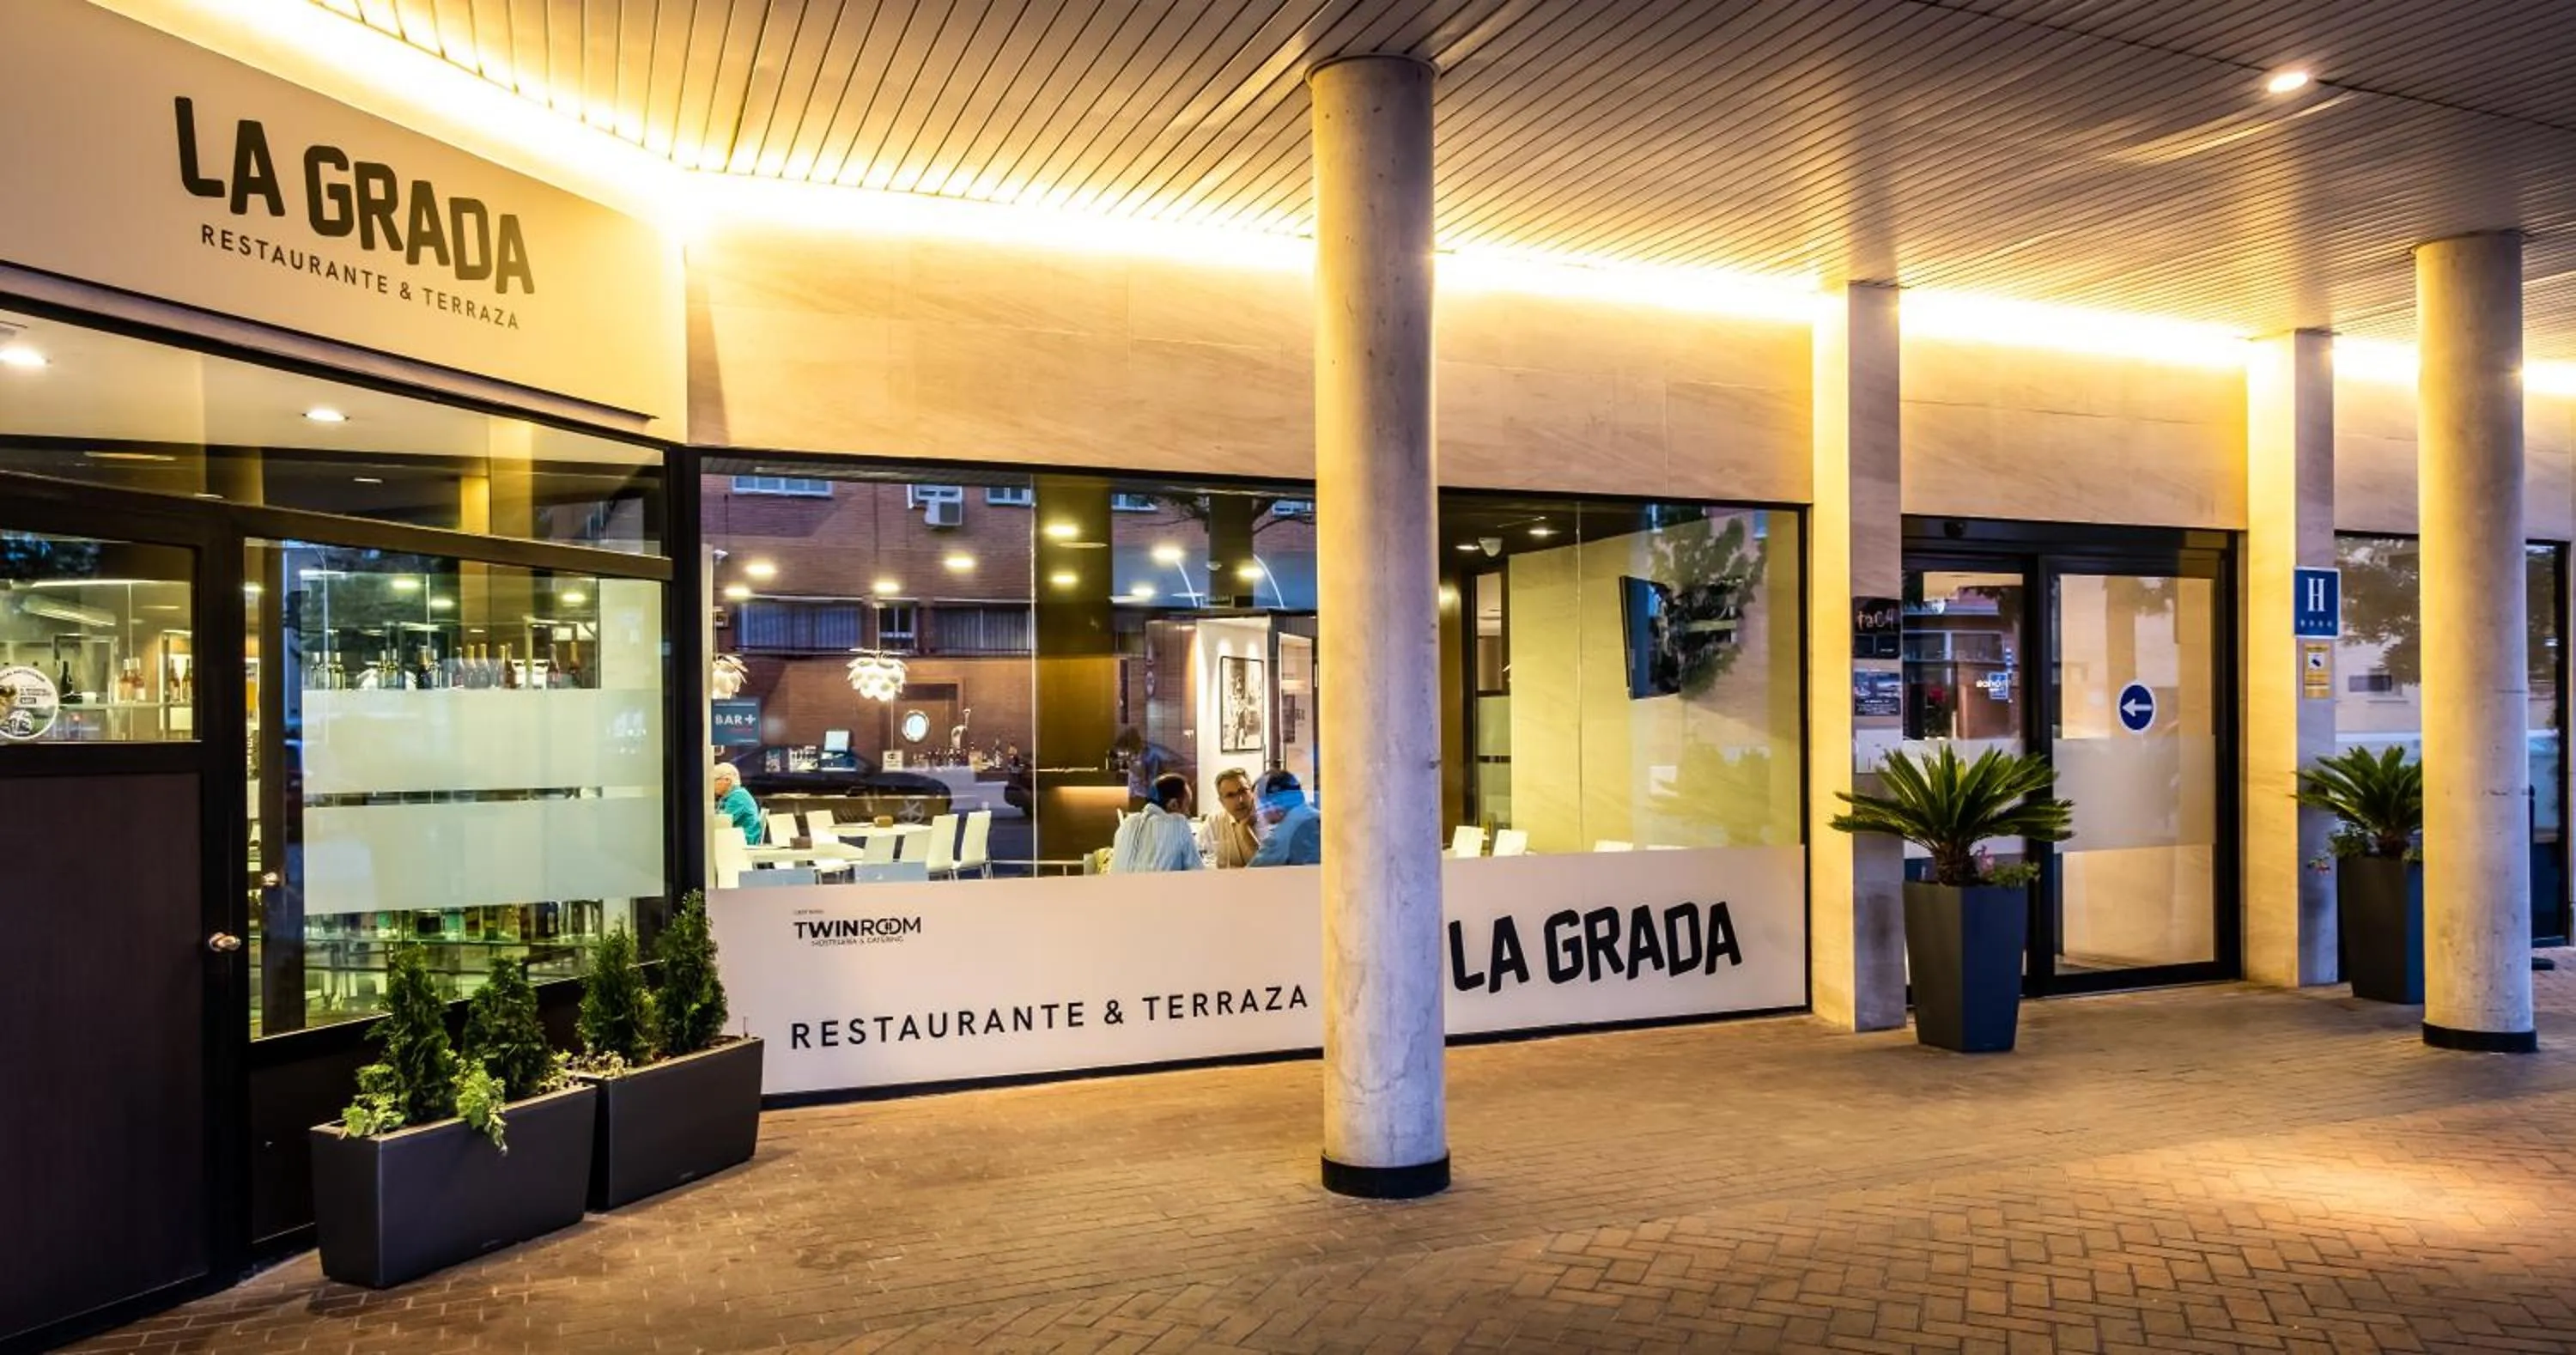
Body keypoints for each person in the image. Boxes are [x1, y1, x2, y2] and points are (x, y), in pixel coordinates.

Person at [1109, 773, 1201, 873]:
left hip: (1117, 888)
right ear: (1173, 805)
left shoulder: (1127, 823)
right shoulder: (1178, 823)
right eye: (1187, 806)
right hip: (1157, 889)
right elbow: (1197, 872)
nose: (1188, 813)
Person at [1247, 769, 1321, 867]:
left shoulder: (1284, 833)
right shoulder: (1317, 817)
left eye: (1257, 802)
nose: (1257, 810)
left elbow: (1250, 875)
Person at [1113, 726, 1188, 811]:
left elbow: (1178, 760)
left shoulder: (1152, 752)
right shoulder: (1133, 759)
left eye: (1129, 756)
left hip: (1154, 799)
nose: (1126, 761)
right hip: (1140, 799)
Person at [1206, 767, 1261, 869]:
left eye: (1243, 791)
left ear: (1252, 792)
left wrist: (1245, 830)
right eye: (1230, 795)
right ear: (1222, 802)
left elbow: (1269, 868)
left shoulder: (1269, 818)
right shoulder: (1214, 822)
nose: (1239, 800)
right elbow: (1200, 861)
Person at [712, 762, 763, 846]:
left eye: (714, 780)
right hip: (736, 839)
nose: (712, 784)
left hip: (744, 842)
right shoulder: (730, 795)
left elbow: (722, 823)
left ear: (727, 780)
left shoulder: (738, 797)